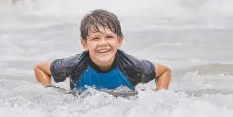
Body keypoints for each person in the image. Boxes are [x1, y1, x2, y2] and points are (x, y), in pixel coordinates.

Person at [34, 9, 171, 91]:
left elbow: (164, 72)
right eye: (95, 38)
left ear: (119, 40)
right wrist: (49, 93)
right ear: (84, 44)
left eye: (109, 37)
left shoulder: (131, 65)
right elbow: (40, 69)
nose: (103, 43)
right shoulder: (75, 64)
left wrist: (158, 99)